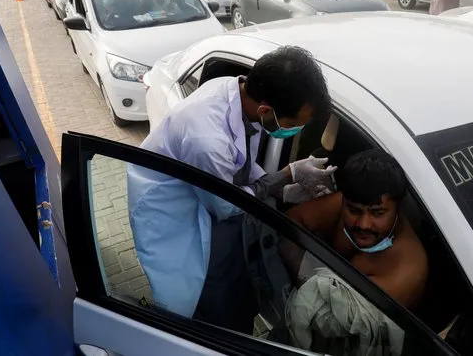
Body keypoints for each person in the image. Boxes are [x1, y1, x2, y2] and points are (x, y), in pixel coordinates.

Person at [127, 46, 335, 333]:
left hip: (206, 195)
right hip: (178, 218)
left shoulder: (237, 91)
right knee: (213, 310)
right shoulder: (206, 138)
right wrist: (287, 174)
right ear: (265, 109)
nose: (296, 132)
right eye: (293, 125)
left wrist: (281, 191)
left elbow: (241, 164)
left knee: (238, 293)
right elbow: (226, 206)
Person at [286, 149, 428, 309]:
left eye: (377, 213)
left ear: (398, 209)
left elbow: (335, 316)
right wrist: (305, 279)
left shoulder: (405, 272)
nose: (363, 224)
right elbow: (290, 223)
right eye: (354, 211)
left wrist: (309, 285)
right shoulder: (352, 201)